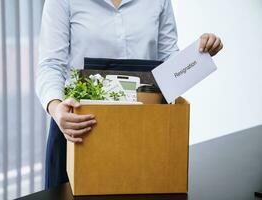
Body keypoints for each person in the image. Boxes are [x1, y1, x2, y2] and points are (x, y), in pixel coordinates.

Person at [36, 0, 223, 189]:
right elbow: (51, 64)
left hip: (143, 130)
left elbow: (168, 60)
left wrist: (200, 54)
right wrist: (56, 109)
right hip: (78, 126)